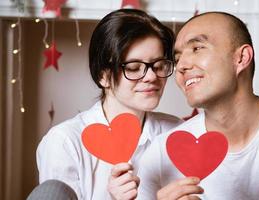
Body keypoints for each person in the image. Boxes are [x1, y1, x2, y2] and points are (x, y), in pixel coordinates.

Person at [137, 11, 259, 200]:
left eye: (197, 48)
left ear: (241, 58)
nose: (181, 66)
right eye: (178, 57)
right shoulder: (160, 155)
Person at [36, 9, 182, 200]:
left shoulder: (177, 133)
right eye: (133, 67)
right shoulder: (65, 142)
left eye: (159, 65)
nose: (152, 76)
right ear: (103, 76)